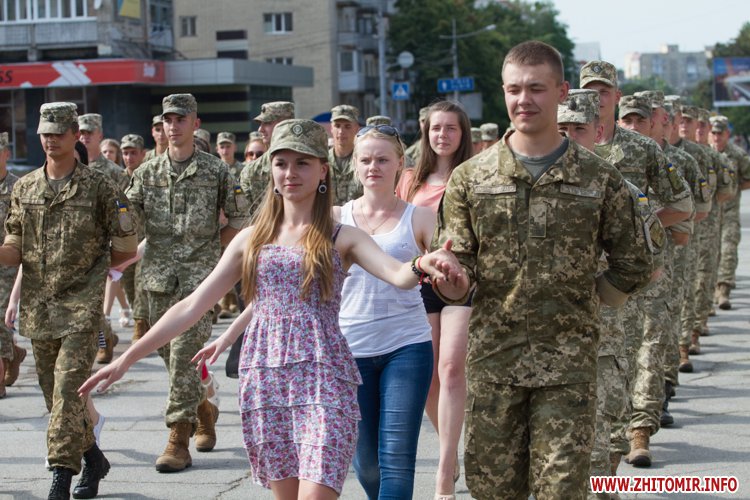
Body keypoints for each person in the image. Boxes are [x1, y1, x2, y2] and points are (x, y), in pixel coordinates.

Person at [79, 118, 467, 499]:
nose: (290, 173)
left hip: (325, 378)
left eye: (302, 163)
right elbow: (193, 305)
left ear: (323, 170)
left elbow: (397, 273)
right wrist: (127, 358)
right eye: (281, 163)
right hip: (266, 379)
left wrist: (423, 263)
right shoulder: (252, 239)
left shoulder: (341, 236)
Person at [435, 41, 654, 499]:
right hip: (495, 364)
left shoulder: (599, 178)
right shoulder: (471, 179)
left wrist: (592, 300)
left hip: (568, 368)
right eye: (514, 89)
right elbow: (461, 262)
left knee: (562, 490)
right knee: (493, 490)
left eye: (536, 88)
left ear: (562, 92)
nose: (524, 100)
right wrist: (453, 284)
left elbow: (634, 259)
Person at [0, 102, 137, 499]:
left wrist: (94, 273)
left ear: (75, 135)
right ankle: (94, 458)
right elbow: (14, 247)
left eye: (58, 133)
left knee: (66, 391)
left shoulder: (100, 187)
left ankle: (60, 474)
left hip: (81, 308)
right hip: (40, 308)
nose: (50, 140)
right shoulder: (25, 189)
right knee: (55, 397)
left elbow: (126, 246)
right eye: (45, 133)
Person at [123, 93, 246, 472]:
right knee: (169, 356)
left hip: (200, 282)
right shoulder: (146, 173)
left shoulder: (216, 171)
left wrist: (216, 252)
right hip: (157, 282)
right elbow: (127, 221)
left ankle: (178, 439)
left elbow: (239, 219)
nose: (173, 126)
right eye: (168, 120)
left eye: (181, 119)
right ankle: (204, 408)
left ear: (195, 123)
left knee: (182, 357)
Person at [557, 88, 664, 498]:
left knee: (603, 435)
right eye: (561, 129)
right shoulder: (525, 187)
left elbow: (650, 259)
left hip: (601, 333)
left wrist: (607, 293)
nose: (569, 138)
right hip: (542, 340)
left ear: (598, 132)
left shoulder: (620, 189)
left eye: (578, 130)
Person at [335, 124, 435, 499]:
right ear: (355, 166)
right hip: (350, 350)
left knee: (396, 459)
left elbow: (447, 271)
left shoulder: (420, 217)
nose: (373, 167)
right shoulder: (335, 217)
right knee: (366, 464)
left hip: (407, 346)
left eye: (382, 159)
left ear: (399, 164)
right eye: (365, 160)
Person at [396, 100, 473, 498]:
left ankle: (444, 472)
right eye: (436, 128)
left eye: (451, 128)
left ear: (463, 134)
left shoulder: (474, 174)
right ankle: (451, 449)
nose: (442, 135)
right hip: (420, 281)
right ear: (426, 133)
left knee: (452, 367)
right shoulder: (409, 180)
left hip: (462, 282)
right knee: (428, 378)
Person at [711, 115, 750, 309]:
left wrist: (734, 189)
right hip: (709, 215)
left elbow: (748, 178)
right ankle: (709, 294)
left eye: (720, 133)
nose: (716, 137)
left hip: (730, 213)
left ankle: (723, 290)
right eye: (714, 133)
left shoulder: (738, 155)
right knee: (710, 253)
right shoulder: (704, 153)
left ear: (727, 134)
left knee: (728, 250)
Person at [239, 101, 295, 216]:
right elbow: (243, 217)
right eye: (260, 123)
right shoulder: (251, 172)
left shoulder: (310, 165)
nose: (260, 129)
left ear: (286, 124)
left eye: (267, 123)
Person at [119, 134, 149, 342]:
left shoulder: (148, 177)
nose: (129, 158)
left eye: (133, 153)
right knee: (128, 284)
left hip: (147, 240)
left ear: (142, 154)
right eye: (125, 153)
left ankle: (140, 325)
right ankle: (143, 319)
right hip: (124, 242)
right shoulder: (117, 178)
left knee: (140, 282)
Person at [0, 131, 22, 399]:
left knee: (1, 317)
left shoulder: (18, 187)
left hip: (9, 264)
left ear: (6, 154)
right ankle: (12, 354)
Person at [329, 104, 363, 205]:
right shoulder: (322, 161)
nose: (341, 131)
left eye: (347, 126)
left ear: (357, 129)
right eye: (337, 126)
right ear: (331, 128)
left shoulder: (364, 161)